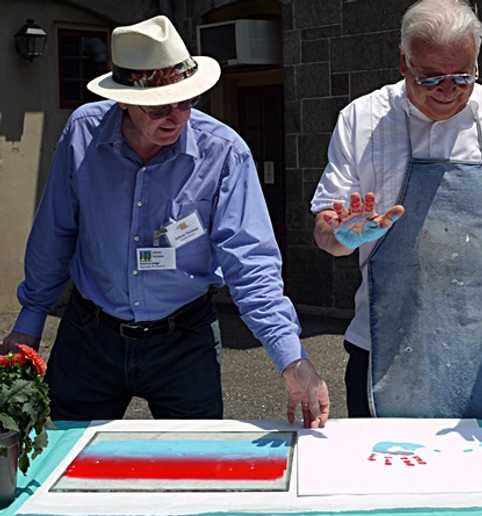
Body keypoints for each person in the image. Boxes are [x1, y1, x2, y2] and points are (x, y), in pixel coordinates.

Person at [0, 15, 330, 427]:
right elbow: (56, 231)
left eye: (186, 102)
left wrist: (290, 358)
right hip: (91, 335)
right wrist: (30, 320)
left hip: (184, 339)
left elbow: (249, 261)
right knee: (66, 465)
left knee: (196, 471)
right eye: (159, 107)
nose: (175, 117)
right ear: (124, 100)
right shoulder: (82, 134)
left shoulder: (225, 152)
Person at [311, 0, 482, 419]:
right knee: (387, 476)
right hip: (386, 341)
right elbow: (325, 232)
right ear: (403, 61)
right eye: (432, 78)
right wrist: (339, 237)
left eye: (463, 77)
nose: (448, 90)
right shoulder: (362, 120)